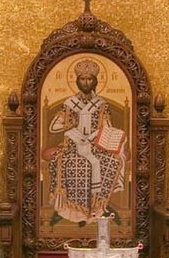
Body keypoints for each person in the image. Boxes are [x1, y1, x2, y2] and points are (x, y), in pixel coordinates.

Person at [49, 57, 125, 223]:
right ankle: (70, 211)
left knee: (112, 161)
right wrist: (70, 126)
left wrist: (102, 135)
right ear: (77, 81)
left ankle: (98, 207)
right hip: (72, 145)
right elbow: (52, 127)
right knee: (71, 161)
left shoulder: (101, 104)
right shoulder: (69, 104)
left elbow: (107, 126)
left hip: (94, 145)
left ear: (95, 81)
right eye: (82, 79)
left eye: (89, 79)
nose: (85, 82)